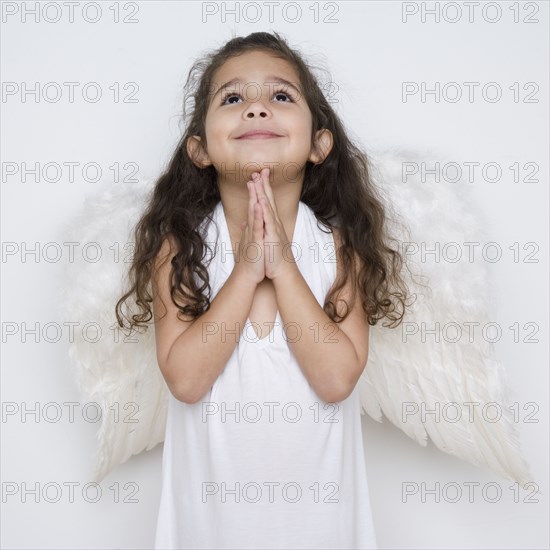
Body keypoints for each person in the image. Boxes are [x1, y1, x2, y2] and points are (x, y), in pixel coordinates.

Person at [116, 30, 412, 550]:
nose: (255, 110)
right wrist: (249, 269)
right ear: (200, 149)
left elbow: (337, 377)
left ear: (320, 143)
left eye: (280, 96)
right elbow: (185, 380)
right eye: (232, 98)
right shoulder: (180, 250)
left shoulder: (342, 250)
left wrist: (283, 267)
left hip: (320, 532)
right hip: (208, 534)